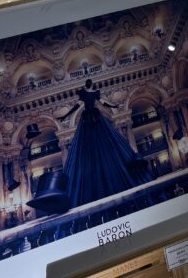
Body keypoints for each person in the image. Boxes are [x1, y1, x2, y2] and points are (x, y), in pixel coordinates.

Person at [56, 79, 153, 208]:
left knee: (108, 144)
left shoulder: (94, 93)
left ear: (89, 85)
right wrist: (65, 116)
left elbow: (101, 103)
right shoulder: (84, 93)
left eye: (89, 83)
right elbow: (78, 106)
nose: (89, 85)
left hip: (94, 118)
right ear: (89, 85)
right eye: (89, 83)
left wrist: (113, 106)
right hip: (89, 119)